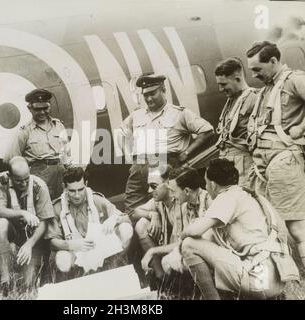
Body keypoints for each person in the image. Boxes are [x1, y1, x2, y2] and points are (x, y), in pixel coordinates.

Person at [179, 159, 299, 300]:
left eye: (205, 183)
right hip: (277, 277)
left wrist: (182, 236)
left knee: (189, 244)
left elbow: (194, 232)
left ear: (212, 184)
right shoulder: (247, 195)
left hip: (260, 280)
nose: (205, 187)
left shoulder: (227, 197)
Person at [119, 74, 214, 216]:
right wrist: (131, 157)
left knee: (171, 210)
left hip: (165, 167)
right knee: (132, 211)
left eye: (153, 93)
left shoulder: (180, 113)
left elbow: (207, 131)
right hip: (139, 168)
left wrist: (186, 154)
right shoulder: (137, 115)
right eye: (145, 95)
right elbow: (121, 132)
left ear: (163, 90)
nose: (149, 99)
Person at [246, 41, 305, 268]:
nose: (254, 75)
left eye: (257, 69)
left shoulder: (294, 80)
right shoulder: (268, 89)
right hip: (265, 167)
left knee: (298, 228)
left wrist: (302, 128)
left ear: (273, 61)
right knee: (273, 225)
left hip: (283, 161)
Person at [45, 166, 133, 279]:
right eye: (72, 191)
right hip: (74, 251)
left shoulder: (96, 199)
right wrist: (75, 244)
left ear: (86, 184)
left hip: (98, 248)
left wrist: (114, 219)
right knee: (62, 259)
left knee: (126, 229)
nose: (77, 195)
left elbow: (126, 219)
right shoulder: (58, 207)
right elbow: (53, 242)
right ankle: (72, 284)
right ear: (64, 187)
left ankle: (115, 266)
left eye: (80, 190)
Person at [0, 156, 54, 296]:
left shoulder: (39, 185)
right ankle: (5, 281)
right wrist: (23, 213)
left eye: (26, 179)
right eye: (18, 180)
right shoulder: (1, 180)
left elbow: (44, 222)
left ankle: (41, 264)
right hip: (14, 229)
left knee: (28, 284)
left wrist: (29, 245)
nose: (23, 183)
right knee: (0, 223)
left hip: (33, 236)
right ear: (10, 175)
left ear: (29, 171)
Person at [4, 88, 71, 200]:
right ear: (30, 108)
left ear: (49, 106)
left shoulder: (59, 126)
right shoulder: (24, 132)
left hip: (62, 175)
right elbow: (10, 159)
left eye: (45, 108)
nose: (42, 112)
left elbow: (67, 154)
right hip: (39, 177)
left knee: (64, 206)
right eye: (38, 109)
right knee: (42, 210)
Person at [214, 58, 257, 187]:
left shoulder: (254, 98)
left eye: (224, 84)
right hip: (229, 168)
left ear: (237, 79)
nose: (221, 89)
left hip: (244, 171)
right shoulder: (232, 100)